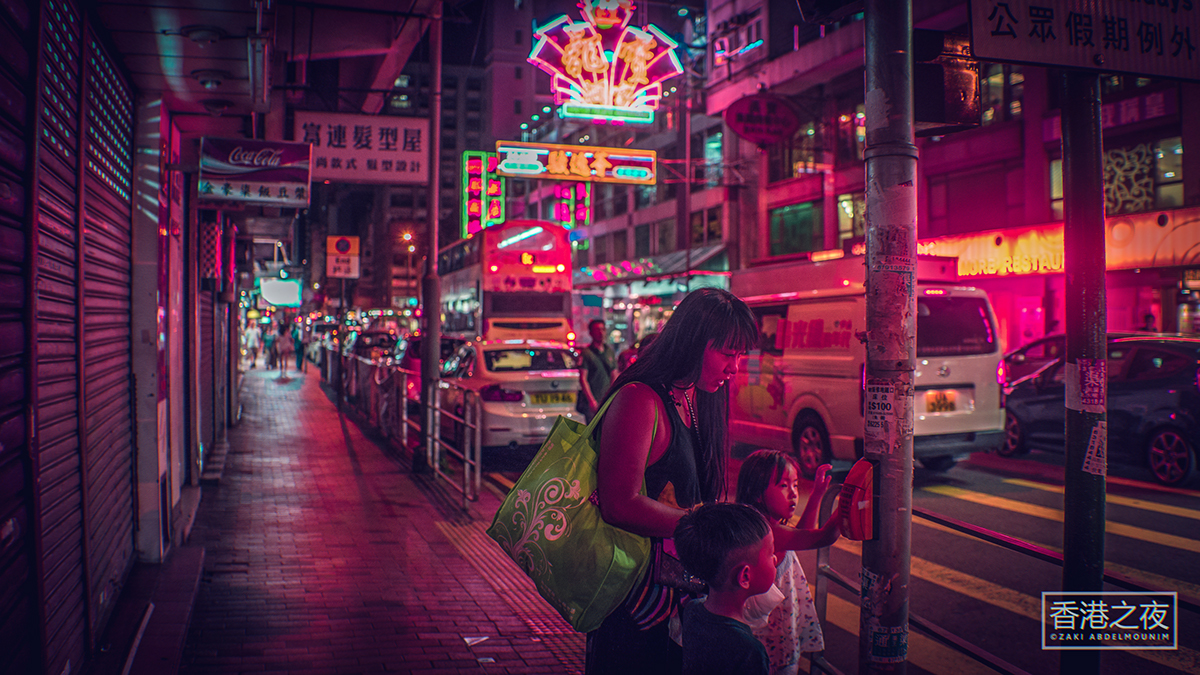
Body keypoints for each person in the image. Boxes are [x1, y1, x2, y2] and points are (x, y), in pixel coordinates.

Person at [586, 287, 758, 675]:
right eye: (728, 354)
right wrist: (710, 530)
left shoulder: (700, 396)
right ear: (694, 343)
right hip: (635, 602)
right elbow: (619, 503)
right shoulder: (639, 399)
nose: (734, 368)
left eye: (740, 356)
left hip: (684, 597)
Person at [737, 450, 841, 674]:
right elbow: (822, 537)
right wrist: (849, 502)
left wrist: (816, 495)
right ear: (756, 492)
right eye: (783, 486)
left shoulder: (760, 523)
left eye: (795, 485)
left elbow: (800, 535)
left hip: (775, 626)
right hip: (772, 634)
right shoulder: (765, 531)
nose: (793, 494)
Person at [673, 502, 774, 675]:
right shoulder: (749, 650)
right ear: (745, 577)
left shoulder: (692, 611)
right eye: (771, 553)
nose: (775, 560)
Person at [577, 319, 617, 422]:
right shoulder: (587, 353)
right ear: (591, 333)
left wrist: (612, 397)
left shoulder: (609, 351)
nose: (601, 333)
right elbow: (583, 379)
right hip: (593, 402)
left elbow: (614, 375)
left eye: (603, 329)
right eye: (597, 330)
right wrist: (592, 401)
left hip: (606, 401)